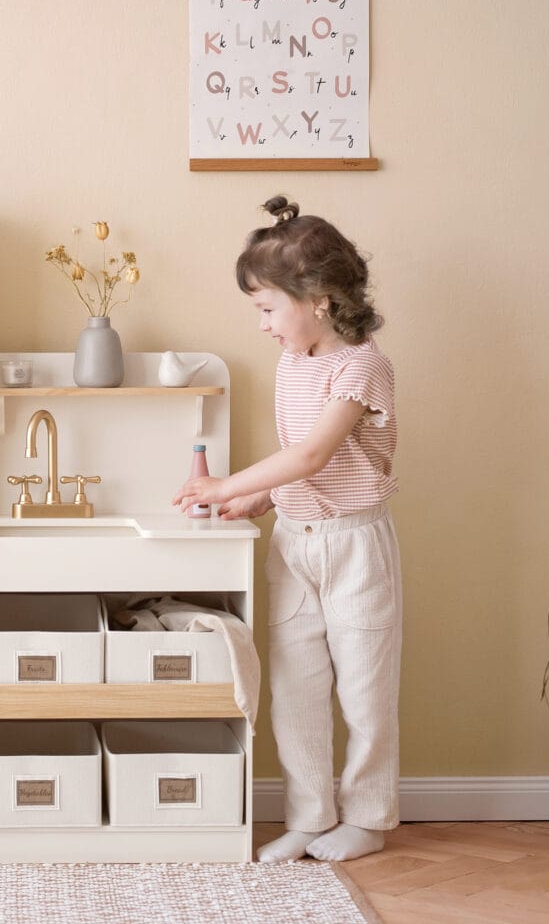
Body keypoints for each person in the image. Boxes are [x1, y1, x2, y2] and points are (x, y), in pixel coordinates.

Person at [173, 195, 400, 863]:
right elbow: (298, 463)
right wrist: (263, 501)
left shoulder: (362, 366)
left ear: (321, 298)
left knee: (364, 689)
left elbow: (314, 455)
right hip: (295, 544)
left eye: (269, 309)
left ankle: (368, 816)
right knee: (297, 691)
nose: (265, 326)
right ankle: (310, 813)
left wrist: (225, 485)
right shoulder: (293, 364)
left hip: (355, 545)